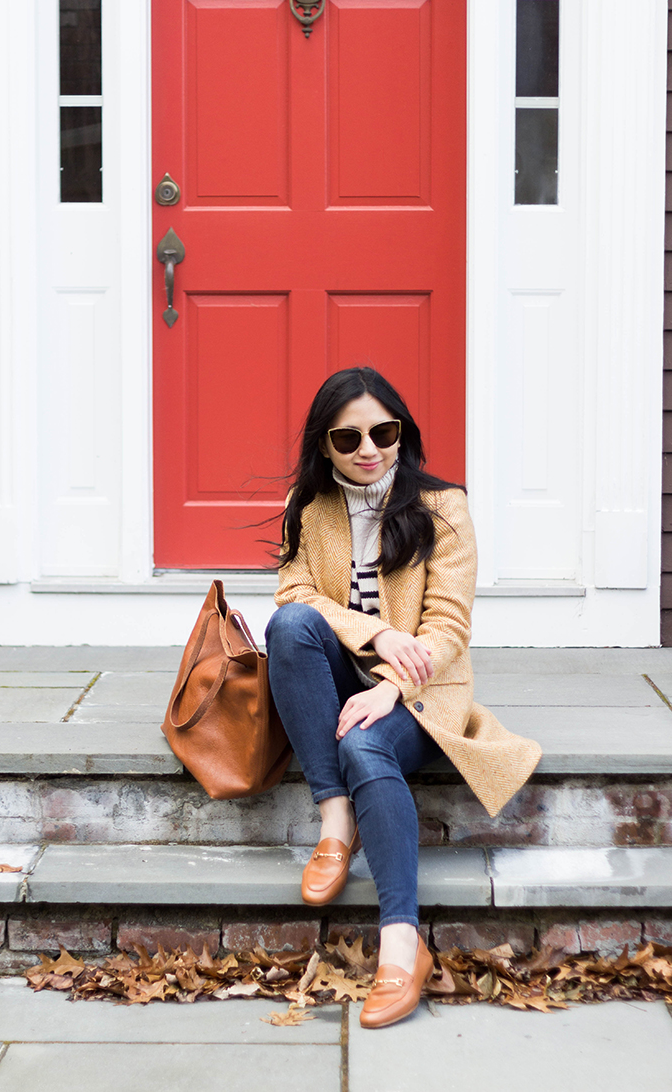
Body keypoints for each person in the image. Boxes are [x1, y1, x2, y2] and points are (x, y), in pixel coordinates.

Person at [265, 367, 541, 1029]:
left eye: (384, 431)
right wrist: (379, 633)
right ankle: (336, 820)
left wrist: (392, 683)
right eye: (349, 436)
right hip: (348, 674)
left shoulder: (444, 506)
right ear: (324, 445)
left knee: (365, 743)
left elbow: (447, 629)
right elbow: (293, 594)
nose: (369, 449)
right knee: (289, 627)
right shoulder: (308, 506)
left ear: (403, 432)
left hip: (422, 692)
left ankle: (401, 940)